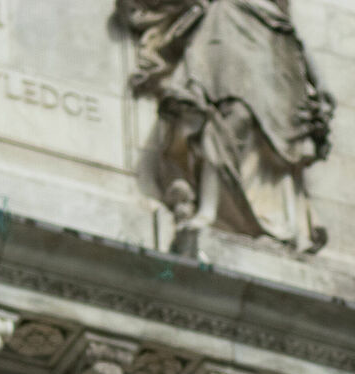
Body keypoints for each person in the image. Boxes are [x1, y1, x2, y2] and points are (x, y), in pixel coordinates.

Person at [119, 0, 334, 254]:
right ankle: (209, 210)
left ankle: (270, 222)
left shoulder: (276, 16)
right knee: (229, 121)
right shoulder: (224, 10)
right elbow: (204, 50)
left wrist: (319, 83)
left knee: (262, 135)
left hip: (271, 59)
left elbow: (294, 43)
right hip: (232, 34)